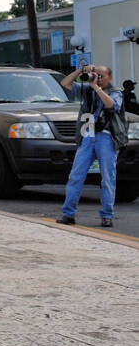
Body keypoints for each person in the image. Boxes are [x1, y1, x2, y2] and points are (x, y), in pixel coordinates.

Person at [56, 62, 124, 228]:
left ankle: (107, 216)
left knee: (107, 178)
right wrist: (82, 70)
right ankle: (68, 214)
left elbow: (111, 105)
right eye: (96, 75)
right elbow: (65, 84)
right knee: (76, 176)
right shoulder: (87, 90)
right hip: (88, 134)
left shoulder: (116, 92)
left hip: (107, 137)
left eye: (102, 76)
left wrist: (96, 87)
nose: (98, 78)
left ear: (110, 77)